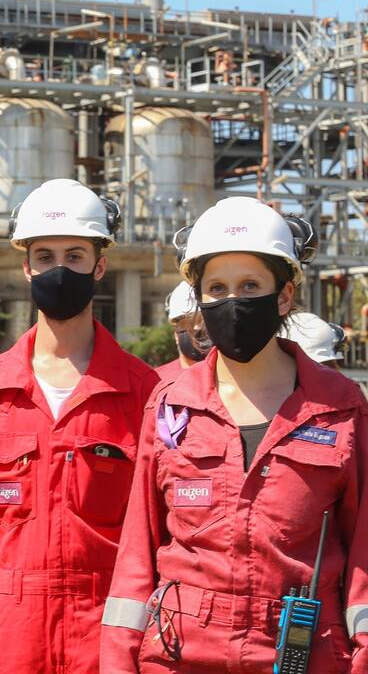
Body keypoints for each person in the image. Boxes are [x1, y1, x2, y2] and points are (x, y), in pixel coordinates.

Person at [100, 197, 368, 671]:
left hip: (301, 654)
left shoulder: (340, 406)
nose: (232, 302)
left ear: (283, 295)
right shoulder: (170, 404)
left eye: (250, 286)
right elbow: (137, 554)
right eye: (217, 288)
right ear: (199, 298)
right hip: (182, 654)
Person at [0, 178, 159, 673]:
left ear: (100, 266)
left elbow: (155, 519)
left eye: (75, 256)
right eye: (45, 257)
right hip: (14, 622)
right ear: (26, 267)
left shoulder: (142, 390)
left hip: (106, 620)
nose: (58, 270)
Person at [155, 280, 211, 382]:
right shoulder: (156, 380)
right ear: (175, 333)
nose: (197, 328)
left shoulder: (236, 381)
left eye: (205, 322)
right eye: (189, 322)